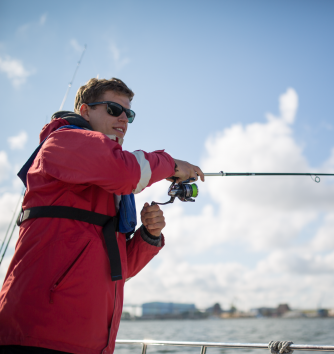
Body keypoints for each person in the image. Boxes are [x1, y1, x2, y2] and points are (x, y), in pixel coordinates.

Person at [0, 78, 204, 354]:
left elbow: (116, 270)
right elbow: (127, 172)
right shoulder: (64, 141)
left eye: (128, 113)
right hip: (40, 333)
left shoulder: (107, 182)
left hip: (91, 341)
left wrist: (148, 237)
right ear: (84, 111)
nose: (123, 119)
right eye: (113, 109)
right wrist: (171, 164)